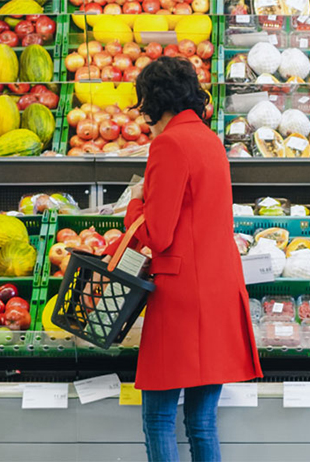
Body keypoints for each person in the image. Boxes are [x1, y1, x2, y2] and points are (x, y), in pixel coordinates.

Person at [120, 56, 263, 461]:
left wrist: (134, 205)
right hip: (220, 292)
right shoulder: (210, 140)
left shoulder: (168, 144)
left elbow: (158, 236)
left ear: (152, 99)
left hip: (181, 297)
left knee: (159, 418)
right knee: (202, 422)